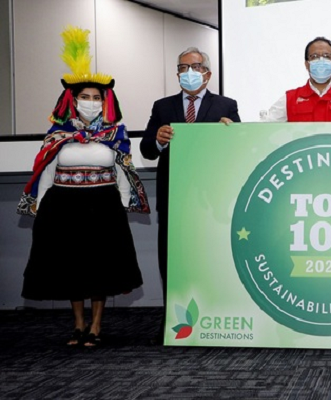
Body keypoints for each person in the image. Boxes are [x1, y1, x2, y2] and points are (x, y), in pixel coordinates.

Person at [18, 26, 149, 347]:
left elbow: (123, 170)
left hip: (103, 206)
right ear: (73, 100)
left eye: (96, 98)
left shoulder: (115, 133)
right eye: (85, 97)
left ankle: (96, 326)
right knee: (72, 268)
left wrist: (122, 204)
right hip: (64, 206)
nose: (90, 102)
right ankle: (78, 324)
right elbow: (46, 170)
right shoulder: (57, 134)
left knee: (100, 269)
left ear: (105, 101)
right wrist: (39, 203)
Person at [140, 47, 240, 344]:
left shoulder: (226, 105)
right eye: (183, 68)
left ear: (207, 73)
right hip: (174, 198)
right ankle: (173, 321)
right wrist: (158, 141)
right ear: (177, 74)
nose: (189, 72)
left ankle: (215, 319)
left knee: (212, 257)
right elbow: (147, 150)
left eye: (195, 67)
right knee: (172, 259)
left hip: (212, 197)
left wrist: (231, 134)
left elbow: (239, 146)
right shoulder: (162, 106)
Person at [265, 37, 331, 123]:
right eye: (314, 56)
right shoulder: (290, 99)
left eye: (327, 56)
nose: (321, 60)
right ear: (307, 64)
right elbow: (263, 128)